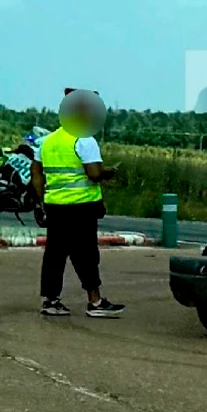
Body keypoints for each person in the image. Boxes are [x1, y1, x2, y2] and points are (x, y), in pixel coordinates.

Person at [31, 89, 125, 318]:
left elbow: (36, 174)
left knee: (55, 254)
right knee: (86, 254)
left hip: (55, 206)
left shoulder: (47, 141)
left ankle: (51, 301)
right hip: (82, 207)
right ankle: (95, 301)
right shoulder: (84, 139)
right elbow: (93, 173)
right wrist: (110, 171)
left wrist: (42, 201)